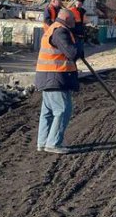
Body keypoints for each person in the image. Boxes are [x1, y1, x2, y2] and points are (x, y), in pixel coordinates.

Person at [35, 9, 82, 154]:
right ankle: (53, 143)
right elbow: (72, 53)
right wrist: (80, 44)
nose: (75, 22)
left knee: (48, 112)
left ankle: (43, 142)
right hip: (56, 76)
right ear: (67, 19)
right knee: (62, 110)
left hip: (47, 76)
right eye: (73, 19)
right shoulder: (60, 32)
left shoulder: (52, 29)